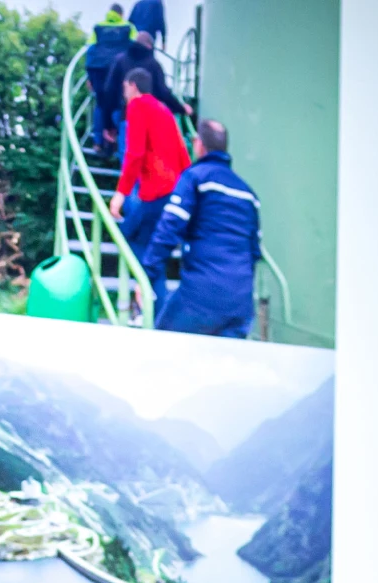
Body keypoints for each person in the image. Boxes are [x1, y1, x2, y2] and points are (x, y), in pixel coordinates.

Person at [144, 120, 258, 337]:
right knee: (224, 365)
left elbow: (169, 228)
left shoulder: (195, 177)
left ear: (198, 144)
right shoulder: (249, 194)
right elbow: (254, 251)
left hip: (200, 295)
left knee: (162, 351)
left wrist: (146, 276)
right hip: (241, 302)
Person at [110, 64, 184, 296]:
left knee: (128, 234)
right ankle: (155, 307)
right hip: (173, 191)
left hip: (155, 192)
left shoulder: (138, 105)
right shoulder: (164, 110)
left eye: (124, 87)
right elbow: (182, 153)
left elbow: (135, 153)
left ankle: (144, 292)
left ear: (133, 86)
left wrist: (120, 193)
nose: (124, 93)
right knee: (153, 255)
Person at [81, 4, 128, 152]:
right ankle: (116, 141)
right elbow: (135, 49)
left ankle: (98, 142)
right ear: (121, 14)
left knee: (100, 104)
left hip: (97, 69)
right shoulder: (128, 27)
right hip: (118, 70)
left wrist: (89, 76)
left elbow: (90, 49)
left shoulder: (98, 27)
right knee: (118, 104)